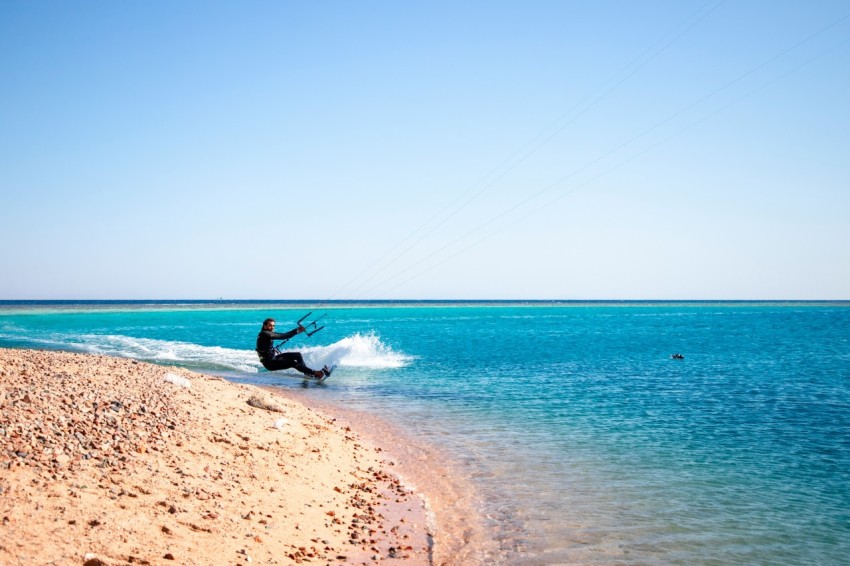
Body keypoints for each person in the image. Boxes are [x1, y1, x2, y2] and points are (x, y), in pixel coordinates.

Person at [256, 318, 329, 378]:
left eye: (273, 326)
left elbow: (283, 334)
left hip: (273, 358)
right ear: (264, 326)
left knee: (297, 355)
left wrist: (296, 331)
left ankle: (307, 373)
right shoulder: (264, 334)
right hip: (269, 363)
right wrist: (296, 331)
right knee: (292, 363)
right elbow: (282, 336)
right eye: (270, 326)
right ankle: (316, 373)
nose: (272, 327)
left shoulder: (268, 333)